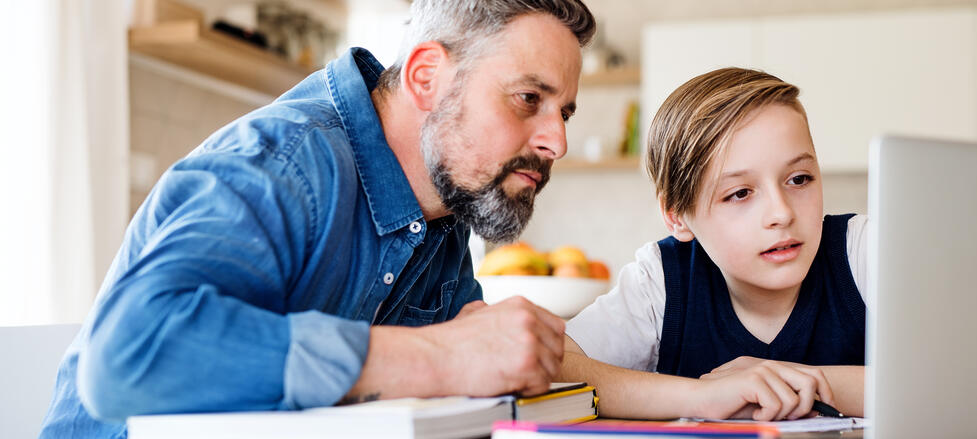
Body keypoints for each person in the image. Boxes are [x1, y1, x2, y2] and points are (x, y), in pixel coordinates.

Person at [39, 1, 596, 437]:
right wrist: (441, 357)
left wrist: (683, 396)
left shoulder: (444, 211)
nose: (558, 141)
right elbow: (127, 356)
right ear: (427, 77)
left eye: (564, 113)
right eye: (528, 98)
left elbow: (495, 360)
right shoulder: (285, 161)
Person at [556, 68, 867, 421]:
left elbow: (941, 375)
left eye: (799, 179)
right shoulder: (661, 281)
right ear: (676, 216)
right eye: (739, 194)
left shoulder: (864, 251)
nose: (781, 213)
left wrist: (794, 383)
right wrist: (701, 396)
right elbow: (558, 364)